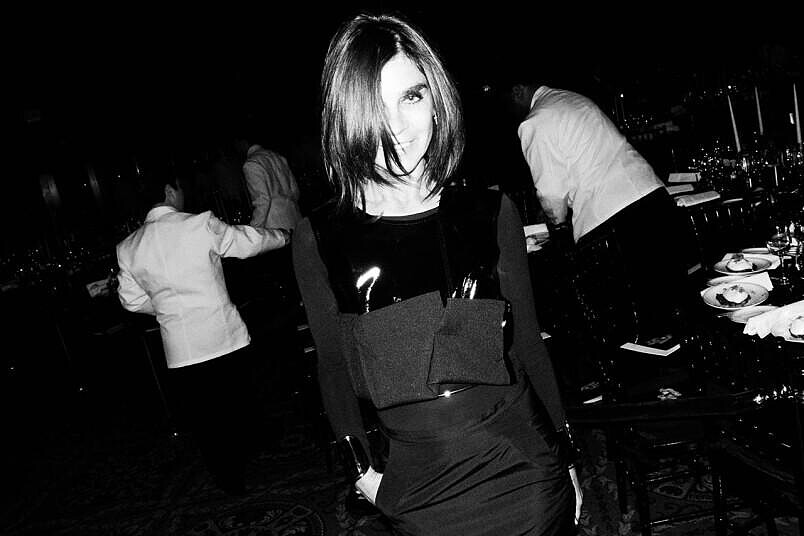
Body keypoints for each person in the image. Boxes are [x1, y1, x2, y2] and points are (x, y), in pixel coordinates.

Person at [292, 13, 582, 535]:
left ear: (435, 98)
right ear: (346, 116)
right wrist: (363, 473)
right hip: (419, 488)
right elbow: (332, 365)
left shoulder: (488, 212)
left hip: (526, 470)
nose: (399, 128)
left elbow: (527, 345)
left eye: (411, 97)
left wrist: (567, 454)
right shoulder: (320, 237)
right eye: (374, 106)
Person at [115, 170, 290, 494]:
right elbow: (247, 242)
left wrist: (168, 308)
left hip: (181, 349)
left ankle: (229, 479)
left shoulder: (128, 247)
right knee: (239, 397)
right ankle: (258, 447)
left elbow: (131, 301)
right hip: (222, 334)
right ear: (170, 191)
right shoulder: (199, 224)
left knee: (205, 418)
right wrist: (282, 236)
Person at [509, 80, 689, 331]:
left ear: (518, 91)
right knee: (677, 307)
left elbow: (551, 194)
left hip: (616, 220)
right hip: (654, 200)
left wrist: (557, 227)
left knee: (638, 325)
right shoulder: (573, 98)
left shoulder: (535, 121)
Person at [238, 137, 302, 232]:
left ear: (243, 142)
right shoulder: (279, 157)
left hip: (276, 225)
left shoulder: (251, 164)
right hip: (296, 217)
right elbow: (295, 191)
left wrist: (253, 231)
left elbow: (263, 201)